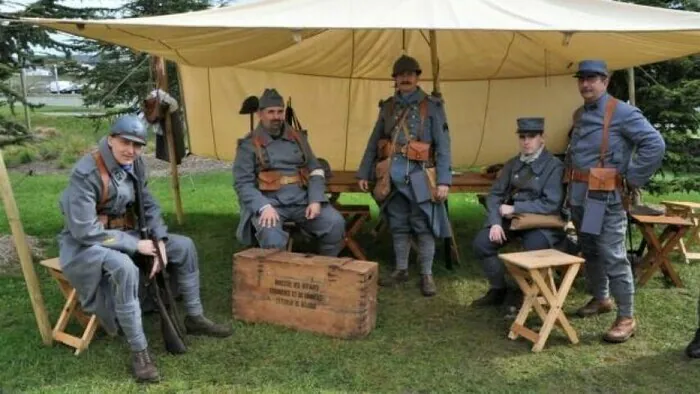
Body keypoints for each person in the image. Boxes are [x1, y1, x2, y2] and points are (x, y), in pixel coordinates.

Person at [58, 115, 232, 383]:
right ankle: (140, 352)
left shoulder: (135, 164)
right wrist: (135, 244)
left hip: (126, 233)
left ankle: (195, 318)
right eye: (126, 142)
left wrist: (159, 240)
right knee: (124, 266)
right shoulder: (87, 172)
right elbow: (84, 230)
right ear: (111, 139)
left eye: (138, 145)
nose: (131, 150)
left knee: (184, 247)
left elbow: (147, 205)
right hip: (87, 244)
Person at [566, 60, 665, 343]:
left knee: (613, 255)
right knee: (591, 250)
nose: (586, 84)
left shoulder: (621, 112)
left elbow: (654, 144)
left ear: (606, 81)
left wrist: (632, 179)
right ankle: (601, 298)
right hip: (581, 196)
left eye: (593, 78)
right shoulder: (581, 114)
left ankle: (626, 316)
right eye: (582, 79)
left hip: (604, 199)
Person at [356, 55, 452, 297]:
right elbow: (373, 142)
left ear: (418, 77)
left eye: (410, 74)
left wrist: (443, 181)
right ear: (395, 79)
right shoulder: (388, 107)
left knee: (423, 225)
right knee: (398, 224)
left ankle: (426, 274)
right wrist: (365, 171)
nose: (406, 78)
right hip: (392, 174)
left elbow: (443, 146)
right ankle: (401, 269)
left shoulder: (432, 106)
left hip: (420, 175)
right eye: (401, 75)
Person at [233, 88, 345, 256]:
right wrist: (263, 207)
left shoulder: (298, 138)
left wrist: (315, 199)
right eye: (271, 112)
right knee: (271, 235)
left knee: (334, 223)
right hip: (270, 202)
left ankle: (326, 268)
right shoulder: (249, 144)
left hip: (302, 199)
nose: (276, 117)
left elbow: (315, 170)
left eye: (279, 111)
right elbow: (243, 184)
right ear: (260, 114)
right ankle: (278, 277)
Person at [471, 117, 566, 309]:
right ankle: (498, 290)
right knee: (482, 244)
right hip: (512, 221)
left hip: (540, 222)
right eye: (522, 137)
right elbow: (495, 195)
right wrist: (495, 222)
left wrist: (516, 208)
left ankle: (525, 295)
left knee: (534, 250)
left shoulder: (554, 166)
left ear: (542, 138)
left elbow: (551, 204)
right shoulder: (513, 164)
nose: (526, 141)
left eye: (532, 136)